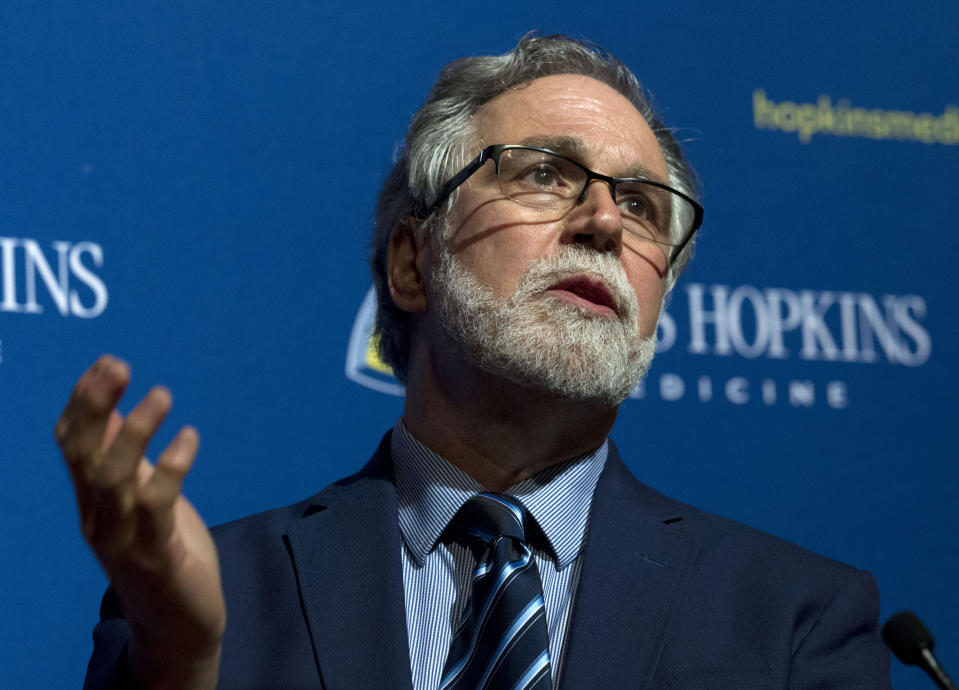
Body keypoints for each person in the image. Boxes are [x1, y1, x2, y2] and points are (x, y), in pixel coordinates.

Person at [56, 35, 891, 689]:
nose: (603, 221)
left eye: (641, 204)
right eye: (544, 175)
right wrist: (177, 658)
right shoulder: (213, 600)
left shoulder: (791, 616)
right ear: (413, 264)